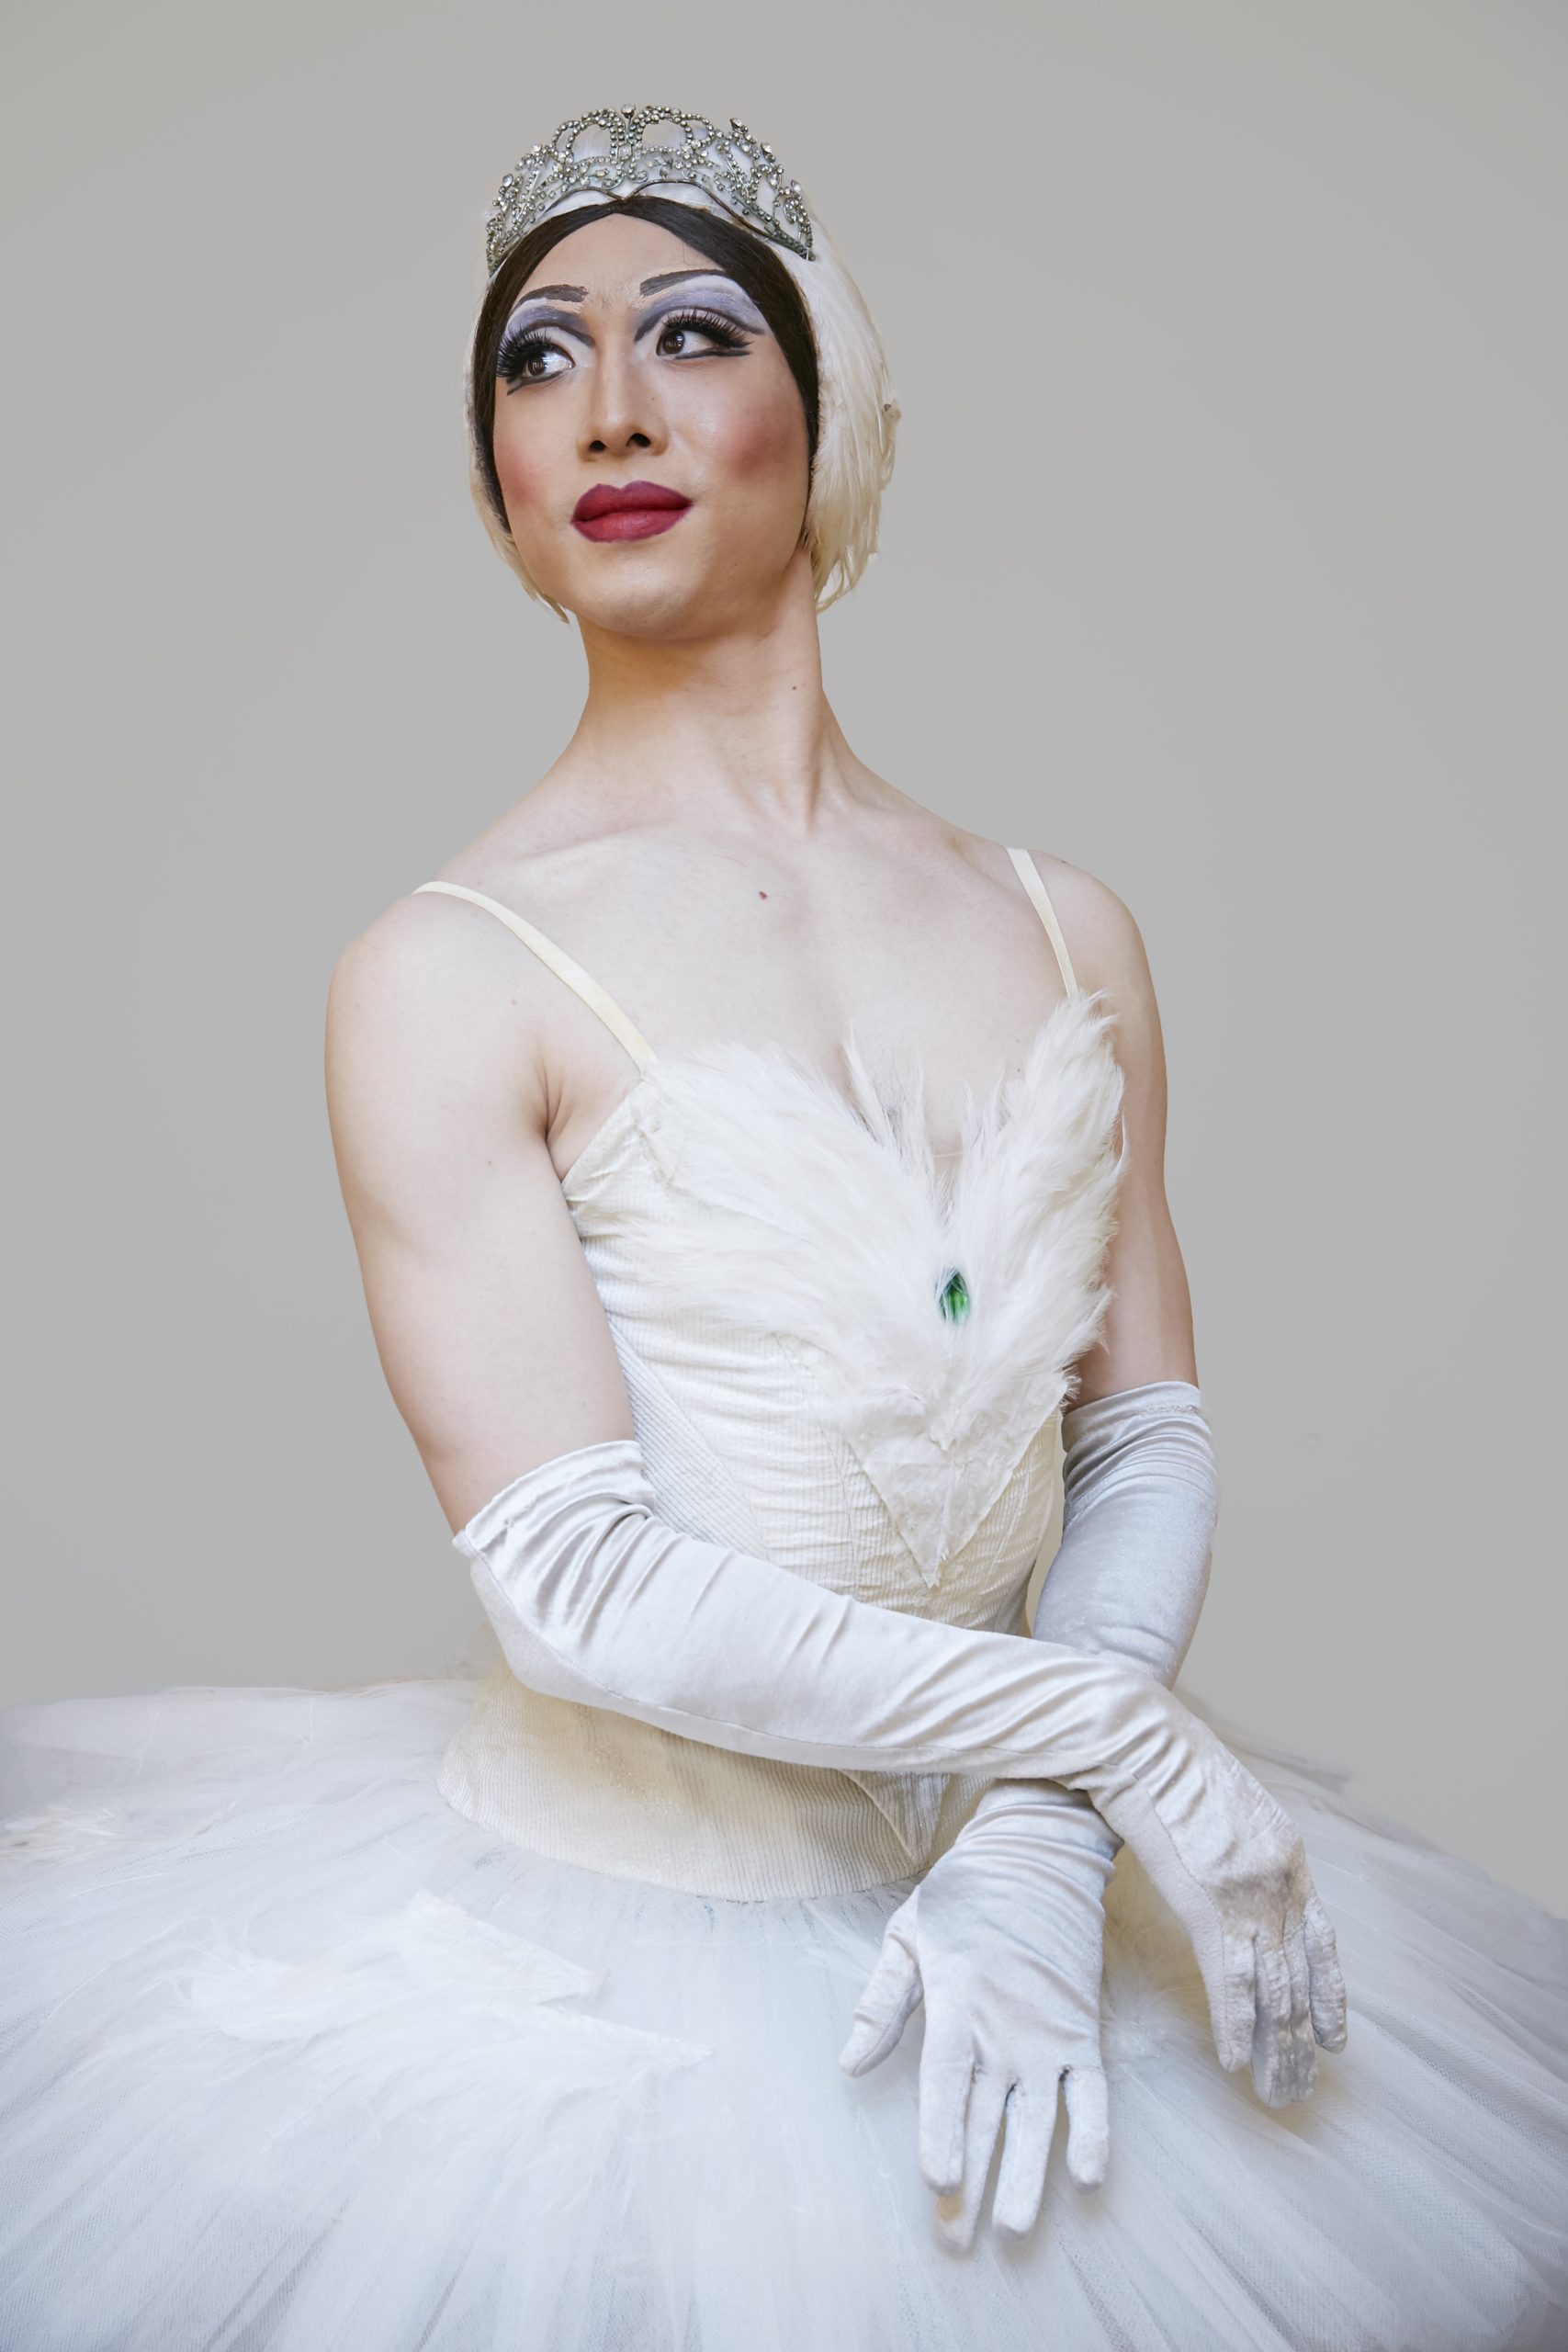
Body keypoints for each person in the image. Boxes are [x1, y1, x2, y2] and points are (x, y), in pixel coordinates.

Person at [1, 103, 1563, 2352]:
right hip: (608, 1982)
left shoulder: (1061, 920)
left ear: (824, 409)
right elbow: (576, 1576)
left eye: (689, 332)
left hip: (1021, 1925)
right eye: (536, 359)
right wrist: (1117, 1748)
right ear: (496, 479)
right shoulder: (440, 973)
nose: (607, 411)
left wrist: (1035, 1841)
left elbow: (1138, 1435)